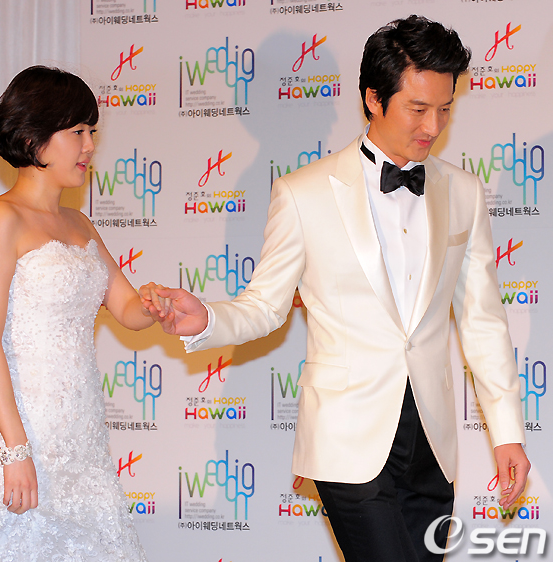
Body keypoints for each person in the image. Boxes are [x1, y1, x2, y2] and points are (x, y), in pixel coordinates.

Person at [141, 16, 530, 562]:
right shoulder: (302, 194)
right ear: (373, 98)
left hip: (432, 448)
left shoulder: (463, 191)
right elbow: (265, 307)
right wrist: (207, 318)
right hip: (346, 440)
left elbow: (482, 319)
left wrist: (507, 432)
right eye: (418, 109)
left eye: (445, 108)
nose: (434, 125)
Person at [0, 66, 165, 561]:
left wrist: (153, 302)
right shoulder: (1, 219)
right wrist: (15, 450)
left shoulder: (80, 224)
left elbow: (126, 308)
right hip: (21, 436)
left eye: (92, 132)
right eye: (78, 132)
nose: (90, 146)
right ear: (33, 139)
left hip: (82, 440)